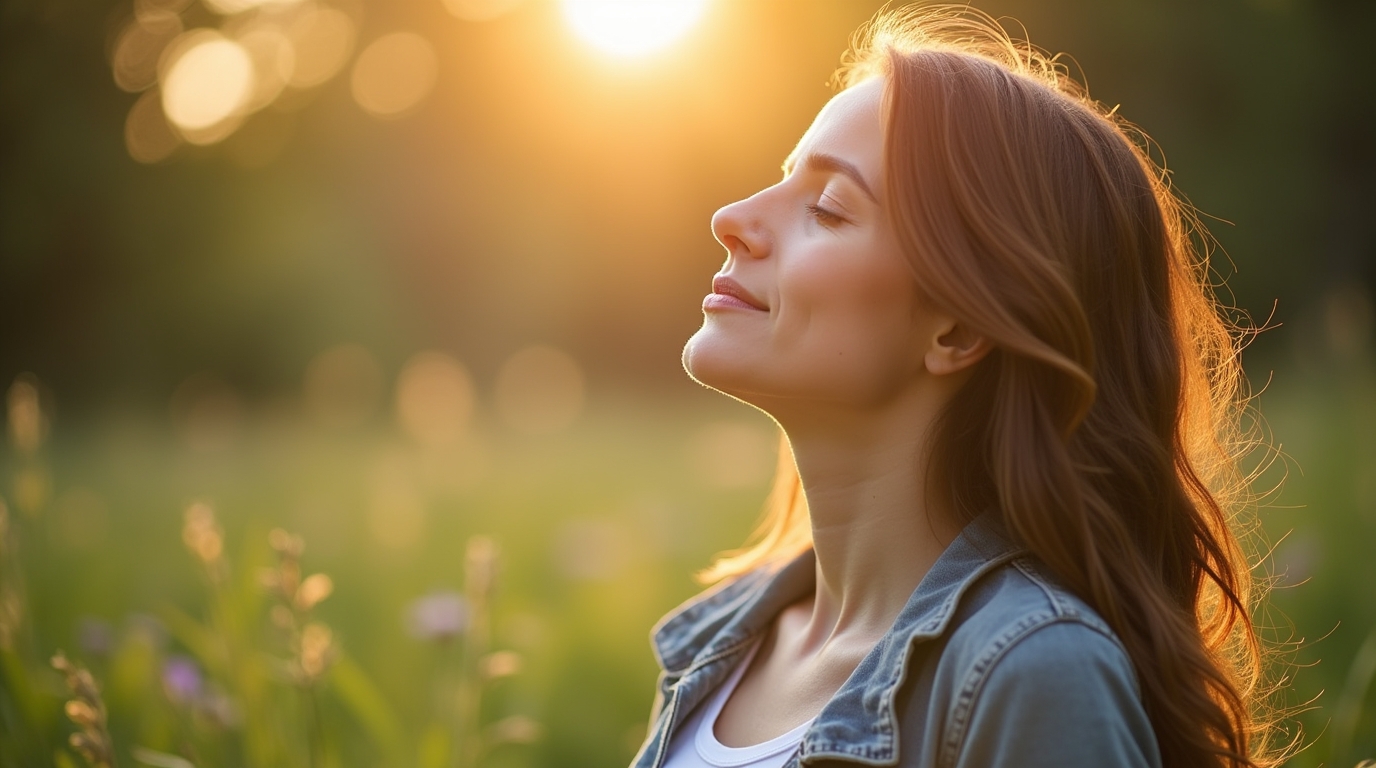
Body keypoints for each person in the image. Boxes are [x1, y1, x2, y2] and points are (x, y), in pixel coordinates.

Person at [630, 5, 1286, 768]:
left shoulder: (1035, 676)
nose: (730, 218)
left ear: (958, 331)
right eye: (783, 179)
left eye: (827, 209)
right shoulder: (720, 644)